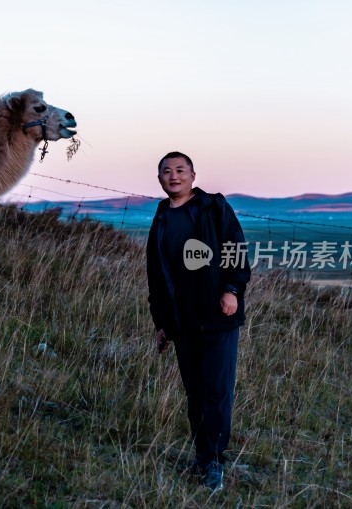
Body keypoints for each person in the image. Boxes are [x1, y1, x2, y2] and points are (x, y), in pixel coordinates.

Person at [146, 151, 251, 491]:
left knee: (216, 391)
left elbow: (235, 248)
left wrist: (232, 289)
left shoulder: (212, 207)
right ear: (159, 178)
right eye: (166, 171)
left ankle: (216, 462)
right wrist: (161, 323)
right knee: (194, 393)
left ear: (193, 175)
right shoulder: (161, 217)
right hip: (182, 322)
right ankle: (202, 456)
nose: (173, 176)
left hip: (217, 317)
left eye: (180, 170)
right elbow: (156, 277)